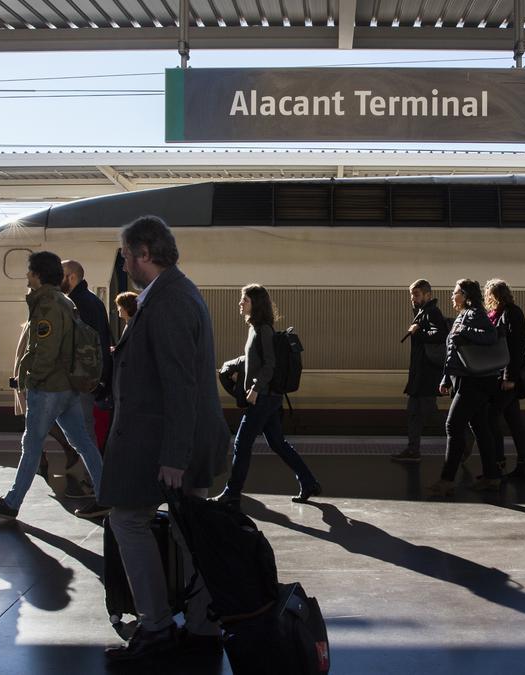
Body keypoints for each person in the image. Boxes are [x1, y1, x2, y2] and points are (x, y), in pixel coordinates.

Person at [101, 216, 230, 663]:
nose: (123, 263)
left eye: (125, 254)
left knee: (127, 521)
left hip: (165, 442)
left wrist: (174, 456)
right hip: (174, 438)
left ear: (143, 253)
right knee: (187, 529)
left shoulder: (169, 300)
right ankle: (202, 625)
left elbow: (180, 385)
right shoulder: (172, 292)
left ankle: (156, 626)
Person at [0, 252, 108, 521]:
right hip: (67, 387)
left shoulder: (46, 305)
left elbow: (45, 351)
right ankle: (107, 496)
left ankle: (12, 503)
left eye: (29, 271)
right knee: (82, 442)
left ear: (37, 274)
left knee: (31, 444)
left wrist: (30, 381)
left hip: (49, 388)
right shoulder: (65, 301)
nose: (26, 276)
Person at [214, 284, 321, 509]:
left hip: (263, 397)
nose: (240, 303)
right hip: (269, 397)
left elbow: (270, 364)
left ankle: (232, 493)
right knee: (277, 443)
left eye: (245, 300)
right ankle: (309, 482)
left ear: (256, 303)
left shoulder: (263, 329)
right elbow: (255, 359)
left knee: (242, 444)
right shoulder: (254, 328)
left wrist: (254, 388)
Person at [424, 279, 501, 498]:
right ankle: (492, 476)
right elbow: (454, 350)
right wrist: (447, 378)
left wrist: (465, 332)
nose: (452, 296)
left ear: (466, 295)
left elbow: (490, 336)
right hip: (468, 378)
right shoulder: (464, 315)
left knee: (453, 426)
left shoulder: (475, 313)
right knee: (479, 427)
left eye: (455, 292)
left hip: (474, 380)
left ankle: (447, 480)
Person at [50, 259, 114, 500]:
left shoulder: (78, 303)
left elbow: (86, 346)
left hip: (81, 382)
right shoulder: (90, 301)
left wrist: (95, 380)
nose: (58, 281)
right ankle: (95, 481)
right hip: (85, 381)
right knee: (81, 433)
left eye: (61, 276)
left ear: (73, 277)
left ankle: (97, 484)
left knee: (84, 434)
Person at [391, 279, 447, 464]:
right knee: (413, 412)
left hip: (427, 372)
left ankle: (464, 433)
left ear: (427, 295)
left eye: (416, 295)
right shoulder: (422, 312)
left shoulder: (433, 312)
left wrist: (418, 331)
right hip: (419, 372)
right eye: (411, 295)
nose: (413, 298)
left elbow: (440, 334)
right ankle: (413, 449)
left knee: (429, 412)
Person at [484, 279, 525, 480]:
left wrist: (509, 377)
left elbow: (515, 346)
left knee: (491, 416)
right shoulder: (497, 314)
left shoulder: (512, 313)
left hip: (507, 377)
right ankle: (523, 462)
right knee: (513, 420)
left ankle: (499, 462)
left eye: (489, 295)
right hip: (499, 376)